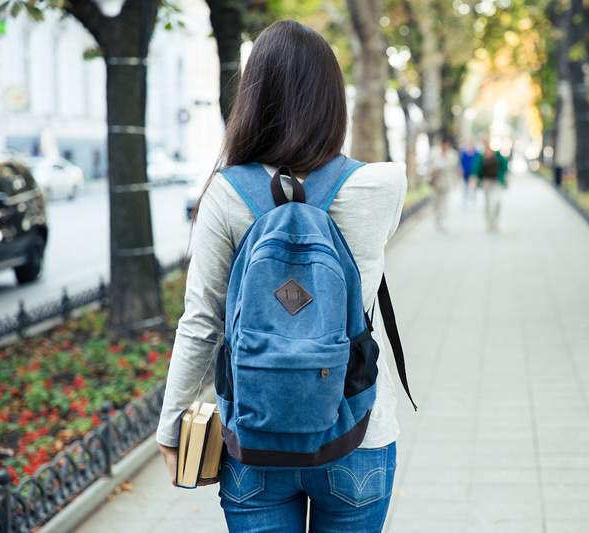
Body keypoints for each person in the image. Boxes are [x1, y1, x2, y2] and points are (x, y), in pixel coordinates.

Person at [155, 21, 406, 532]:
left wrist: (172, 424)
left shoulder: (225, 194)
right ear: (332, 101)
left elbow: (201, 320)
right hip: (356, 433)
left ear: (253, 97)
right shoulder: (382, 186)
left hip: (254, 439)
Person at [475, 143, 508, 232]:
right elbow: (477, 170)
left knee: (497, 203)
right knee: (488, 204)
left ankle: (495, 222)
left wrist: (505, 180)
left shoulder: (498, 157)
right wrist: (474, 180)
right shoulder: (482, 158)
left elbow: (505, 167)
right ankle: (489, 223)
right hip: (486, 183)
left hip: (496, 183)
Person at [429, 138, 459, 230]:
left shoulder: (452, 154)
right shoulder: (434, 152)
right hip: (435, 181)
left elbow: (452, 166)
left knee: (443, 202)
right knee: (435, 202)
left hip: (446, 182)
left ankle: (441, 221)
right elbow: (431, 165)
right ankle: (436, 218)